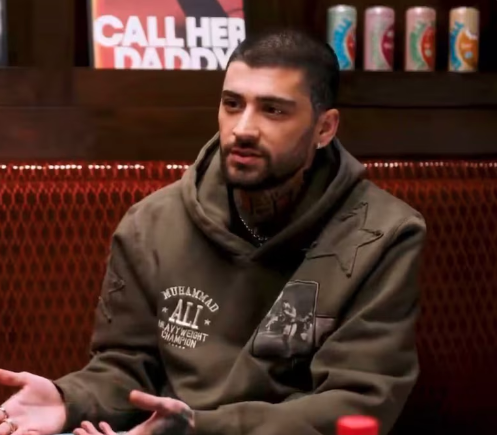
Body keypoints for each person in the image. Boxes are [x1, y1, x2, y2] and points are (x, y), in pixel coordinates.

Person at [0, 28, 426, 435]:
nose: (243, 129)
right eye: (232, 104)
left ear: (324, 128)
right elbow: (126, 368)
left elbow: (355, 403)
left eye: (273, 109)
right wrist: (69, 399)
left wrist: (198, 428)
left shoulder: (384, 234)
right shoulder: (151, 223)